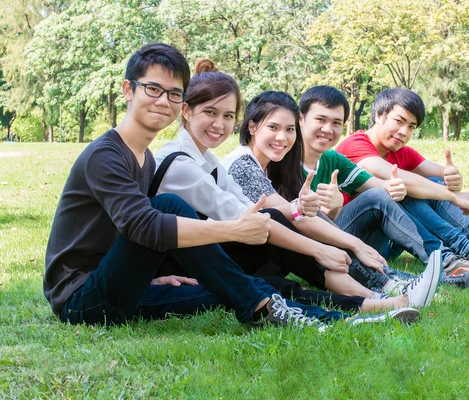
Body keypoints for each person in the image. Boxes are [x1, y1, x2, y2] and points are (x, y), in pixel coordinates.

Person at [44, 43, 354, 331]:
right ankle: (261, 308)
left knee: (227, 285)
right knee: (168, 207)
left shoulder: (145, 159)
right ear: (128, 89)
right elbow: (142, 226)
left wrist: (149, 275)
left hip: (125, 283)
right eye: (153, 89)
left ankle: (340, 317)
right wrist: (234, 231)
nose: (163, 101)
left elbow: (129, 238)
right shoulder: (106, 155)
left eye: (174, 93)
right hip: (81, 300)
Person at [151, 59, 420, 319]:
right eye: (210, 112)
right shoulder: (186, 163)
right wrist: (319, 248)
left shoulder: (208, 159)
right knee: (270, 264)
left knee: (273, 275)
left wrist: (313, 211)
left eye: (228, 115)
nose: (220, 125)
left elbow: (259, 211)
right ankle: (376, 294)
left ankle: (369, 299)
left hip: (200, 255)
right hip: (182, 265)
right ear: (186, 111)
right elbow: (244, 217)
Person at [221, 90, 441, 305]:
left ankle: (388, 288)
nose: (282, 137)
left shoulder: (274, 164)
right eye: (273, 127)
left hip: (263, 252)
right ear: (252, 126)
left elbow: (301, 214)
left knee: (306, 218)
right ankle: (388, 286)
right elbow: (290, 216)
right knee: (294, 220)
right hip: (233, 261)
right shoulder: (243, 164)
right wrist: (351, 244)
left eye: (289, 129)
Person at [294, 85, 469, 287]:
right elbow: (293, 220)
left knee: (413, 188)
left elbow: (384, 186)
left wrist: (447, 179)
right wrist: (453, 197)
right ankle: (452, 259)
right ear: (301, 119)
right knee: (388, 194)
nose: (328, 129)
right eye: (320, 119)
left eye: (336, 123)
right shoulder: (293, 160)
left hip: (374, 240)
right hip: (328, 245)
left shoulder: (332, 159)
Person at [336, 87, 469, 265]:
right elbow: (403, 179)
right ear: (379, 116)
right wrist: (453, 196)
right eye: (399, 121)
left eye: (411, 127)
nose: (403, 132)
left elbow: (439, 175)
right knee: (400, 189)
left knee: (433, 184)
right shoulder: (355, 146)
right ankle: (468, 251)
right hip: (355, 239)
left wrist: (453, 178)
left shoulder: (400, 152)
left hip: (389, 239)